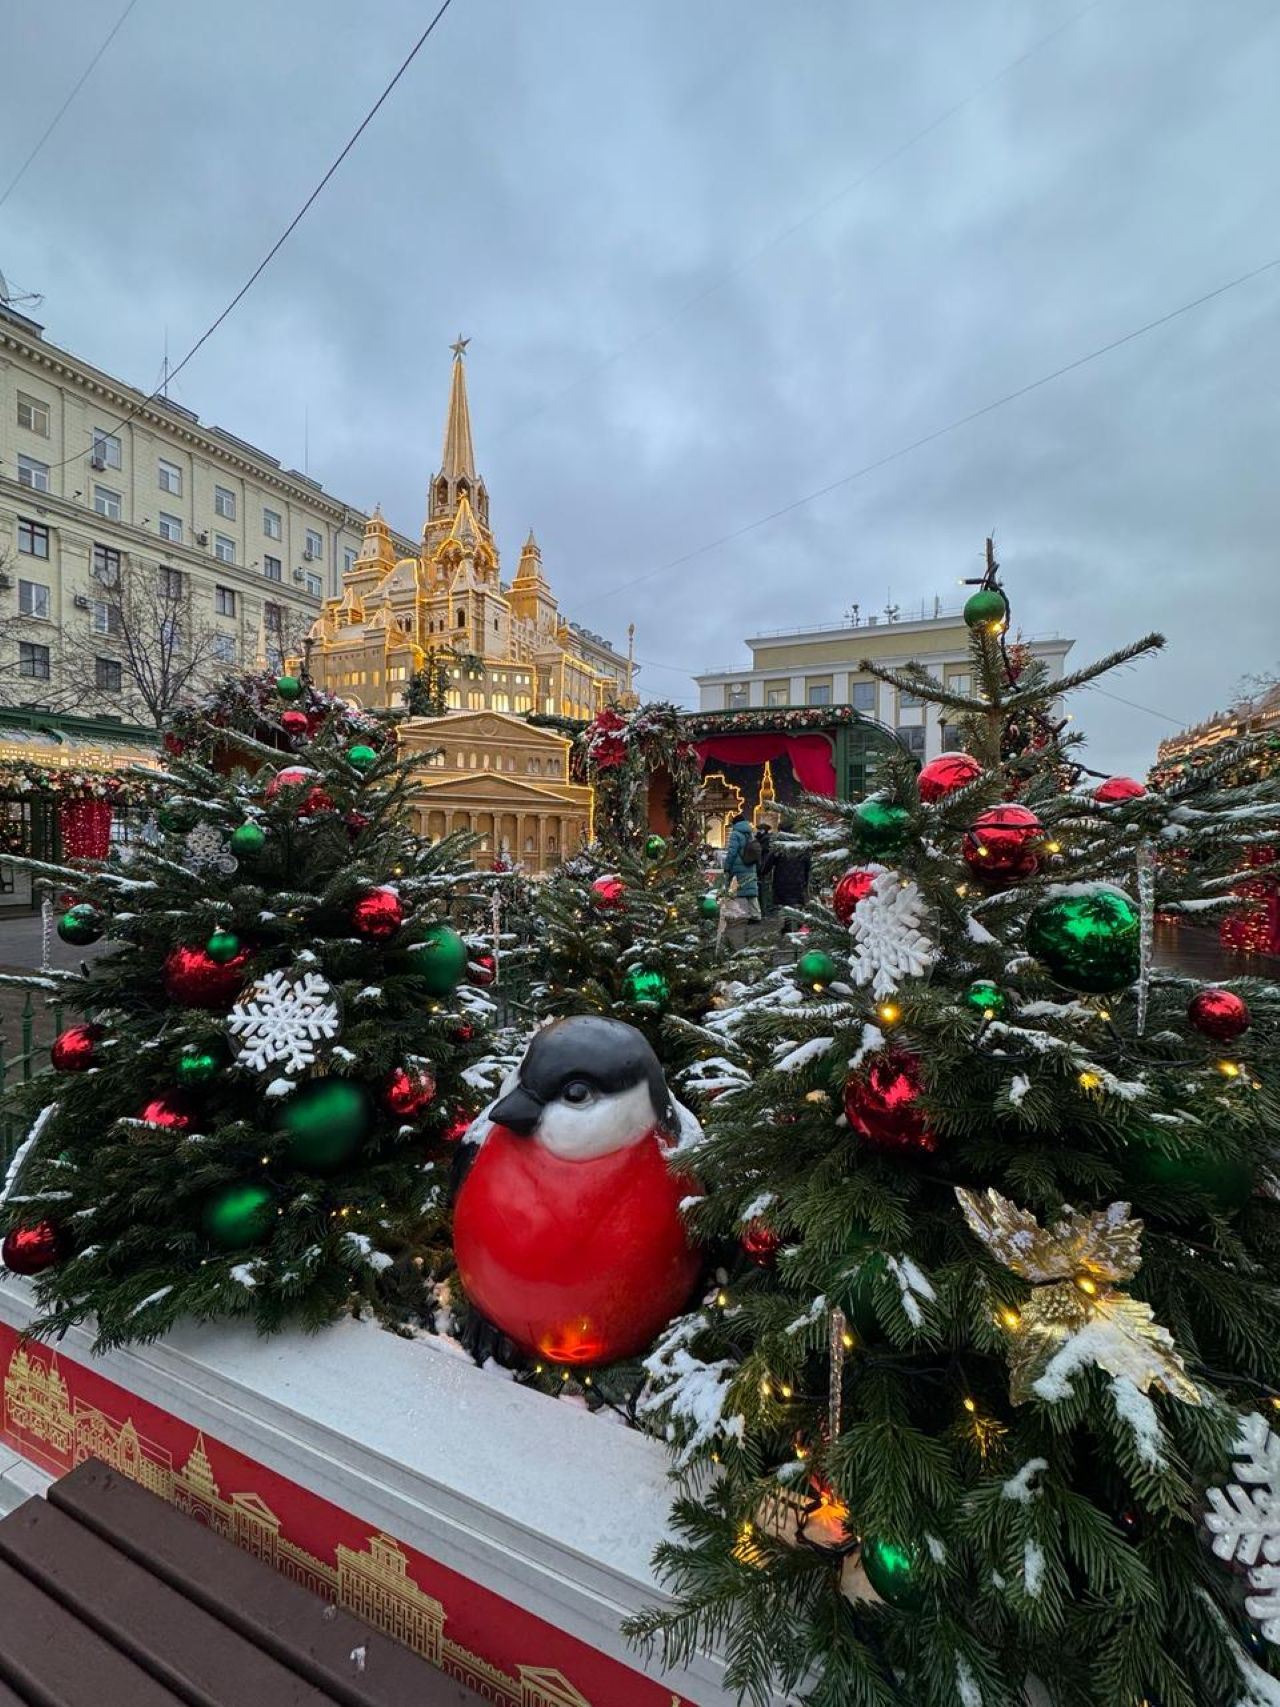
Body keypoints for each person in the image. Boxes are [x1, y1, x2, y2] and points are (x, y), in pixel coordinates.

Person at [720, 809, 761, 943]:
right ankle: (755, 914)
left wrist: (727, 866)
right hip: (750, 864)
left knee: (734, 889)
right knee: (751, 890)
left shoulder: (735, 834)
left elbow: (732, 852)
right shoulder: (750, 833)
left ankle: (735, 914)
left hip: (739, 865)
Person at [761, 815, 811, 915]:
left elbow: (768, 864)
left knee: (785, 909)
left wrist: (762, 872)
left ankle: (788, 922)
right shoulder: (802, 846)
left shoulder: (779, 846)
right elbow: (807, 865)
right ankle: (794, 921)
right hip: (798, 883)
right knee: (796, 908)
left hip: (782, 883)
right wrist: (805, 881)